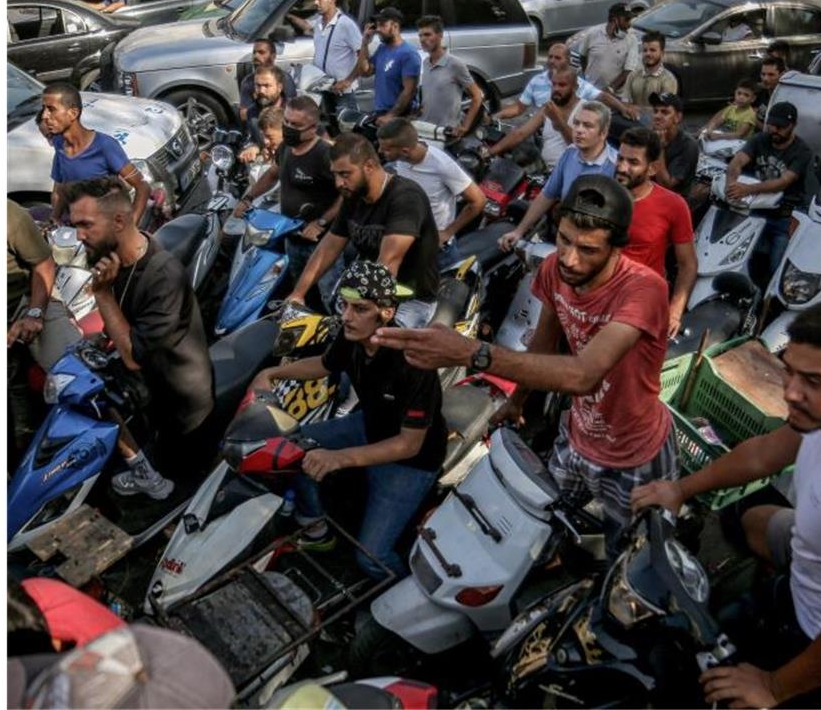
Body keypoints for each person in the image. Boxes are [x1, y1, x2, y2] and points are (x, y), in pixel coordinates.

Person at [632, 299, 821, 709]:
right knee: (747, 518)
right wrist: (680, 489)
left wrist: (772, 687)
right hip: (812, 554)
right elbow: (764, 454)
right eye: (789, 371)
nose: (790, 392)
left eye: (812, 380)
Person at [373, 175, 678, 550]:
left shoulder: (644, 290)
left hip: (633, 453)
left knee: (629, 551)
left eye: (588, 250)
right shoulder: (554, 270)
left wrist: (471, 352)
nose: (569, 258)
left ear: (616, 248)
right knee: (541, 522)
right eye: (564, 240)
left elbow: (583, 376)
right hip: (578, 435)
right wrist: (516, 401)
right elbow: (544, 344)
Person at [251, 261, 446, 579]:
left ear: (385, 312)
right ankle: (314, 528)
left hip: (411, 461)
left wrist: (339, 458)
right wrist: (271, 373)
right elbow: (326, 364)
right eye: (344, 306)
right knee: (293, 446)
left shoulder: (414, 362)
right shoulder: (352, 335)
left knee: (372, 559)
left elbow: (409, 444)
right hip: (369, 427)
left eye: (359, 308)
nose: (346, 316)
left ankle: (400, 593)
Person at [66, 177, 214, 497]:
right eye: (74, 225)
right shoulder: (115, 257)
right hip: (153, 391)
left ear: (119, 220)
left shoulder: (162, 275)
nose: (79, 235)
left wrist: (102, 293)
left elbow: (133, 356)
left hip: (181, 399)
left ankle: (155, 482)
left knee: (179, 486)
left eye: (86, 225)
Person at [289, 133, 441, 328]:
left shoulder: (405, 198)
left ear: (369, 166)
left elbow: (388, 264)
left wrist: (360, 313)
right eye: (335, 174)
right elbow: (328, 248)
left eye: (345, 174)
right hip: (364, 293)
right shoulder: (353, 196)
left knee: (381, 350)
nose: (338, 183)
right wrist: (297, 294)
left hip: (409, 298)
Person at [234, 96, 340, 304]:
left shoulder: (325, 155)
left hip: (323, 243)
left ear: (313, 127)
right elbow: (272, 174)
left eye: (296, 125)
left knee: (330, 296)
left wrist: (321, 223)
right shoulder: (285, 149)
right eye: (287, 123)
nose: (289, 128)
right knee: (301, 293)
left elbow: (346, 195)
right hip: (292, 237)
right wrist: (248, 198)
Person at [497, 101, 618, 251]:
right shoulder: (570, 152)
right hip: (564, 235)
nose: (579, 130)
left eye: (587, 126)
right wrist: (519, 231)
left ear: (603, 133)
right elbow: (547, 195)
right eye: (576, 123)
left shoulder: (615, 166)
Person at [615, 127, 697, 338]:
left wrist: (675, 312)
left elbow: (688, 264)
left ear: (652, 169)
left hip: (641, 303)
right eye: (620, 159)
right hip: (597, 297)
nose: (622, 168)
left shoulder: (673, 205)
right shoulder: (601, 194)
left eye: (633, 162)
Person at [376, 118, 487, 270]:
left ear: (405, 151)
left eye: (386, 149)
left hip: (436, 252)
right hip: (405, 243)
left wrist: (447, 232)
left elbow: (478, 200)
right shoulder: (401, 159)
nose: (380, 152)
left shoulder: (442, 165)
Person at [724, 101, 813, 278]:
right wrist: (731, 183)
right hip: (756, 210)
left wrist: (747, 189)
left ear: (793, 125)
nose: (775, 130)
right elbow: (738, 161)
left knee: (776, 269)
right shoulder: (760, 139)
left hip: (785, 215)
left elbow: (783, 182)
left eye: (781, 127)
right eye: (772, 125)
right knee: (737, 258)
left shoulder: (802, 151)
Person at [42, 83, 150, 226]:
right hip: (80, 231)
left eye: (51, 109)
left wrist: (131, 226)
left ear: (73, 113)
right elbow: (60, 188)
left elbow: (142, 186)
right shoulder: (59, 144)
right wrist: (55, 218)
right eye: (43, 109)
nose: (44, 116)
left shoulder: (105, 146)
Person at [7, 200, 56, 465]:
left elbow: (44, 265)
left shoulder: (10, 216)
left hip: (20, 309)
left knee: (71, 373)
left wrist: (34, 313)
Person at [493, 42, 639, 122]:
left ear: (567, 60)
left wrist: (623, 109)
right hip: (539, 131)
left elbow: (602, 96)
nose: (551, 61)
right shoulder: (537, 81)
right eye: (550, 57)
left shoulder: (577, 83)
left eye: (557, 58)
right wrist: (496, 116)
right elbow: (519, 108)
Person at [484, 66, 583, 170]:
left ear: (575, 87)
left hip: (570, 172)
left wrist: (558, 120)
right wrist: (489, 153)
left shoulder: (585, 110)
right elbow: (520, 134)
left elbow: (579, 147)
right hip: (547, 171)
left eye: (562, 85)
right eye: (554, 84)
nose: (556, 89)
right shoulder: (549, 108)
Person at [288, 0, 362, 118]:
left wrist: (347, 81)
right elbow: (305, 25)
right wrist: (287, 14)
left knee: (347, 127)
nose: (315, 3)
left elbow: (363, 55)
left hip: (342, 90)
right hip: (324, 87)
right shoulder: (319, 21)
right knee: (329, 125)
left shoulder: (345, 24)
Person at [352, 7, 422, 126]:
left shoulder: (408, 54)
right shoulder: (382, 49)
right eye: (377, 25)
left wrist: (390, 115)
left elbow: (409, 91)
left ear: (394, 26)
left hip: (399, 115)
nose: (378, 29)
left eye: (382, 25)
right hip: (381, 112)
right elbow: (365, 71)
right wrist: (364, 43)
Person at [416, 15, 484, 137]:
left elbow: (477, 96)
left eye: (427, 35)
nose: (422, 39)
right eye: (420, 35)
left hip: (446, 132)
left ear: (440, 35)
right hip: (425, 129)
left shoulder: (455, 64)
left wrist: (465, 127)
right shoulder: (426, 62)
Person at [567, 3, 640, 94]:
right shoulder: (592, 33)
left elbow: (628, 70)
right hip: (589, 90)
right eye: (626, 20)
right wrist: (588, 77)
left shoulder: (631, 40)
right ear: (614, 20)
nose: (629, 24)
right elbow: (583, 56)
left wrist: (610, 89)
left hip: (614, 94)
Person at [650, 92, 700, 201]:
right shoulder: (649, 136)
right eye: (655, 111)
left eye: (665, 112)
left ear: (677, 117)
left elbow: (666, 185)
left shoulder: (688, 145)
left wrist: (659, 148)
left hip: (673, 201)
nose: (657, 116)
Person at [237, 38, 297, 127]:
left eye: (261, 52)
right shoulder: (248, 81)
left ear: (273, 56)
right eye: (254, 52)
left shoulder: (285, 79)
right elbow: (243, 115)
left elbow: (291, 112)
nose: (256, 56)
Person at [237, 65, 288, 163]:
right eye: (258, 85)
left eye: (266, 86)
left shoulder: (294, 112)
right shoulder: (252, 112)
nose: (261, 91)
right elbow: (252, 137)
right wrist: (253, 148)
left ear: (279, 87)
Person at [622, 32, 679, 110]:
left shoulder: (668, 79)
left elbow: (662, 109)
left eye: (652, 50)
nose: (647, 54)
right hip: (632, 121)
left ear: (662, 53)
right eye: (645, 50)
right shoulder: (633, 75)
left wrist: (633, 108)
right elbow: (624, 103)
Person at [754, 55, 786, 128]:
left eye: (771, 75)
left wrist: (751, 117)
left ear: (782, 75)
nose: (765, 79)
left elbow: (772, 131)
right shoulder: (759, 92)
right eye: (763, 74)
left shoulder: (784, 100)